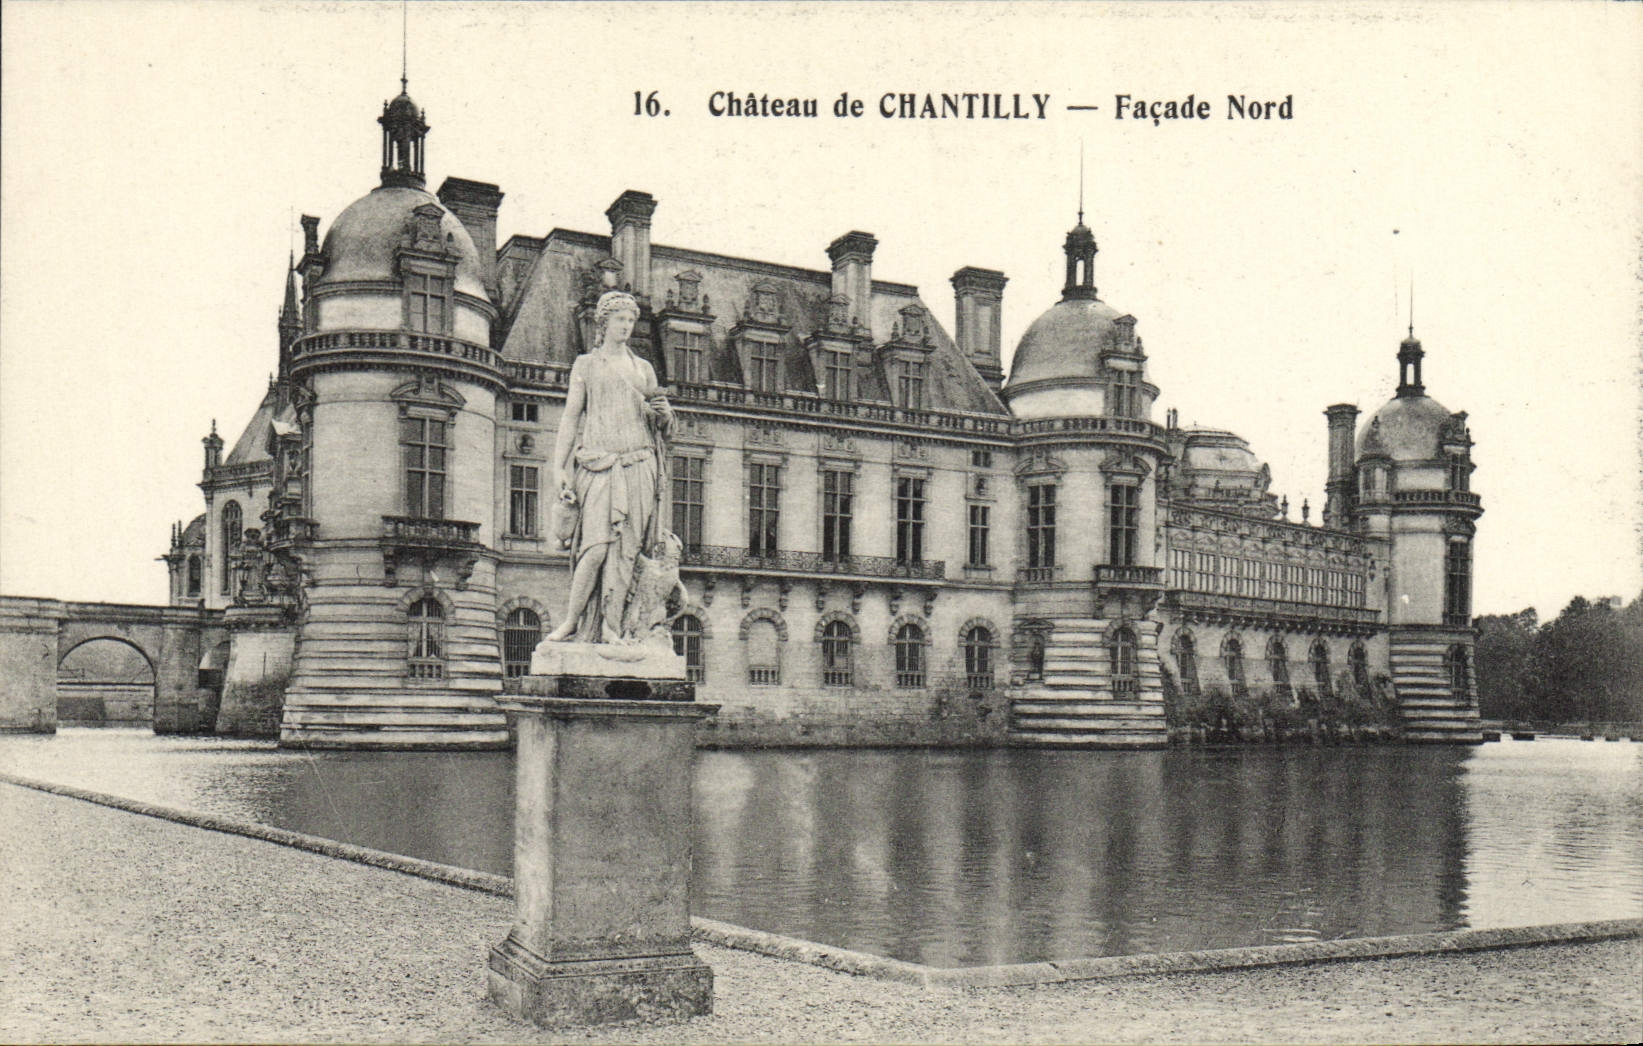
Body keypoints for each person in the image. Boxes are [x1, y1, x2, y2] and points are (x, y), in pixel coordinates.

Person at [543, 290, 674, 643]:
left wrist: (664, 416)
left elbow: (661, 426)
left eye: (631, 321)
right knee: (595, 548)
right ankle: (572, 621)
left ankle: (611, 628)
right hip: (599, 465)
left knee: (626, 553)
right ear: (603, 322)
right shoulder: (586, 365)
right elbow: (571, 418)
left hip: (639, 465)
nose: (627, 327)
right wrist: (559, 469)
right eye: (620, 319)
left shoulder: (643, 369)